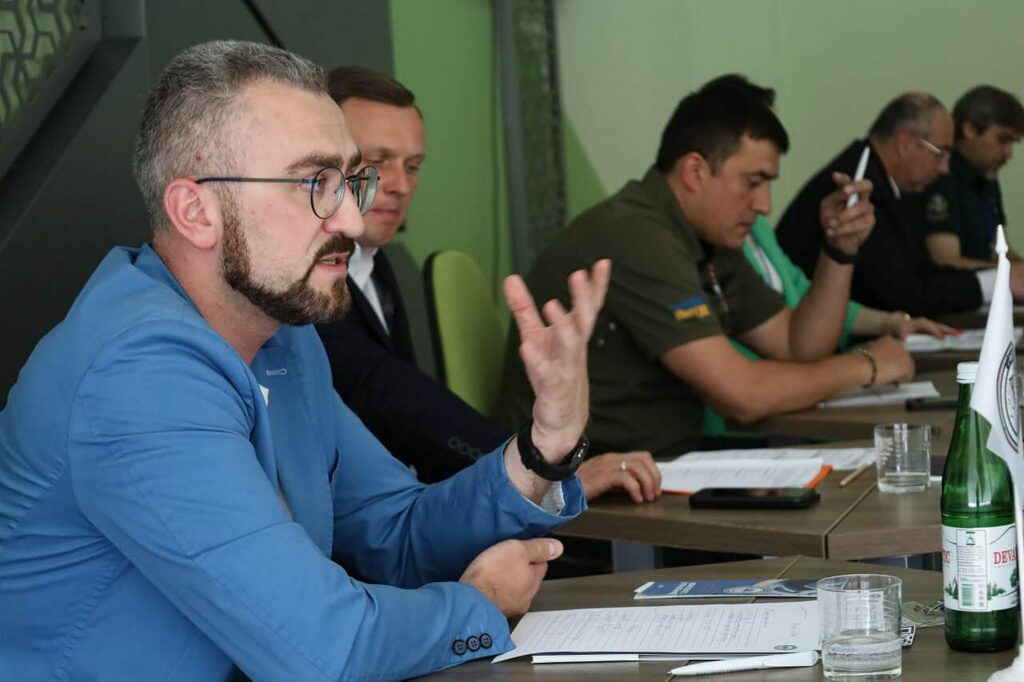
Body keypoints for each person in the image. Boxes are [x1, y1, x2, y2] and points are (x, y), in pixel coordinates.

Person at [0, 41, 608, 680]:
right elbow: (324, 648)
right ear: (196, 211)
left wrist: (544, 446)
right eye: (314, 183)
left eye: (350, 182)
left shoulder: (283, 337)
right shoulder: (137, 372)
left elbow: (397, 533)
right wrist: (477, 605)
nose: (352, 219)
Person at [499, 83, 914, 458]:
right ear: (695, 171)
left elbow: (797, 344)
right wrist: (866, 365)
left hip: (659, 462)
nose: (765, 205)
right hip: (583, 484)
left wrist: (840, 251)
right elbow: (742, 396)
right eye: (753, 182)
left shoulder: (704, 237)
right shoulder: (638, 237)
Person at [315, 66, 660, 502]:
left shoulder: (374, 262)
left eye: (413, 166)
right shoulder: (309, 274)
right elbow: (385, 392)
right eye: (376, 161)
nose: (400, 185)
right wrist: (534, 467)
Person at [777, 92, 1024, 317]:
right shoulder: (856, 187)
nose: (945, 168)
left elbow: (923, 271)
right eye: (940, 153)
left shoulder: (894, 185)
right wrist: (998, 282)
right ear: (906, 143)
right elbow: (902, 296)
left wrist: (1002, 277)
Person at [921, 85, 1024, 268]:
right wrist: (1012, 273)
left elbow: (1001, 251)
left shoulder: (987, 175)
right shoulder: (939, 174)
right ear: (970, 129)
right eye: (1003, 140)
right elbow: (946, 263)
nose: (1008, 154)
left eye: (1013, 143)